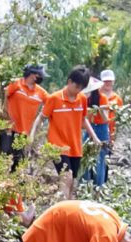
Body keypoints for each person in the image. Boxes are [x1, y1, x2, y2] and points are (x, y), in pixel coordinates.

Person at [28, 66, 102, 199]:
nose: (78, 90)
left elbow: (83, 120)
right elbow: (41, 117)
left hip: (75, 147)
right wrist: (32, 135)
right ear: (69, 81)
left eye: (81, 88)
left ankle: (67, 211)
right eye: (76, 86)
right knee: (66, 178)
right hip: (58, 146)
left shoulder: (82, 99)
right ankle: (63, 211)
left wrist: (95, 137)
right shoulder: (54, 98)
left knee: (73, 183)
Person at [2, 64, 49, 172]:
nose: (40, 78)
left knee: (18, 161)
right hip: (8, 128)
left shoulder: (41, 92)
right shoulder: (17, 83)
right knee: (3, 157)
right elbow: (6, 94)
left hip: (23, 132)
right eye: (39, 75)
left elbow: (51, 103)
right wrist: (5, 114)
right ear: (33, 74)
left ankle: (11, 185)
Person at [88, 69, 123, 187]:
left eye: (110, 81)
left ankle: (101, 185)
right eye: (105, 81)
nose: (108, 83)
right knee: (90, 158)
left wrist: (114, 137)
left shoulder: (116, 98)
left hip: (108, 130)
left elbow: (118, 119)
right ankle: (90, 185)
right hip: (94, 127)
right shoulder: (94, 95)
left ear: (113, 82)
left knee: (103, 160)